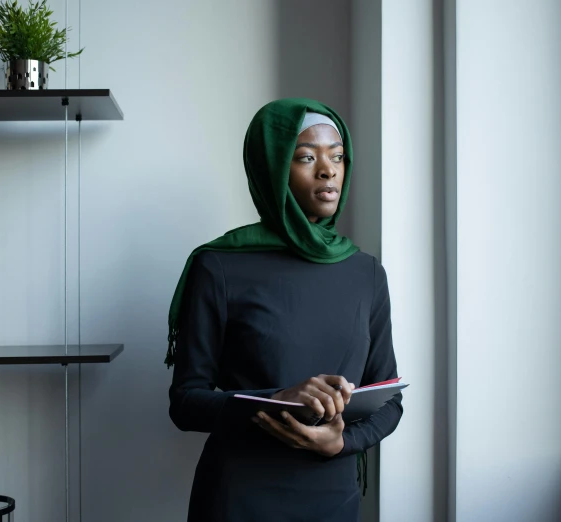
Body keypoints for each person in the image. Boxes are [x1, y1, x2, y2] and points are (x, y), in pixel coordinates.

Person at [166, 98, 403, 522]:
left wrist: (342, 444)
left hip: (334, 497)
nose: (328, 170)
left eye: (337, 156)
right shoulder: (219, 265)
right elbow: (185, 402)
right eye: (307, 157)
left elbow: (389, 400)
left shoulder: (366, 272)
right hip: (239, 499)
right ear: (272, 168)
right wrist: (275, 400)